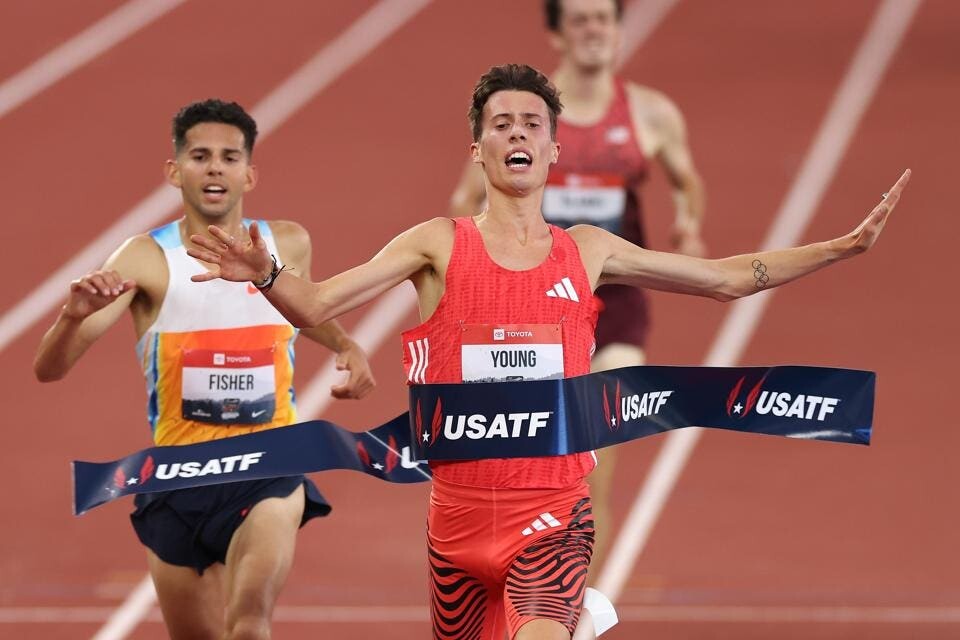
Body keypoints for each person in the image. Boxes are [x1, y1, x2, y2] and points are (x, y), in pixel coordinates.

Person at [187, 65, 908, 640]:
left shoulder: (587, 252)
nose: (517, 133)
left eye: (532, 123)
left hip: (554, 517)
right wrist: (267, 274)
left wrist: (839, 248)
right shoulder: (436, 244)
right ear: (478, 149)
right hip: (455, 524)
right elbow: (317, 305)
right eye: (501, 124)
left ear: (553, 149)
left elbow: (723, 280)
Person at [33, 99, 375, 640]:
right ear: (175, 171)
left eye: (229, 157)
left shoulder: (286, 243)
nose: (215, 168)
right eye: (200, 156)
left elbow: (302, 308)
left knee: (250, 621)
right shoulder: (143, 259)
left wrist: (345, 343)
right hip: (178, 478)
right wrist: (72, 317)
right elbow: (50, 369)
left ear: (249, 174)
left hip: (268, 467)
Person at [449, 0, 706, 574]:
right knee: (524, 464)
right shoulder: (531, 118)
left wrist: (689, 222)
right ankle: (520, 581)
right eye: (580, 19)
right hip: (534, 315)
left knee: (595, 465)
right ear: (557, 35)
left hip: (615, 310)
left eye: (603, 18)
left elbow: (687, 181)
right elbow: (465, 195)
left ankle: (578, 601)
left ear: (618, 31)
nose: (593, 29)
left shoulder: (650, 114)